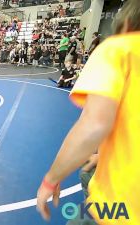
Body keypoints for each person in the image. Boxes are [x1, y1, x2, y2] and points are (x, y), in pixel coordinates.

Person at [36, 0, 140, 224]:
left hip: (121, 208)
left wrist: (51, 180)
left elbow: (94, 125)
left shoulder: (121, 49)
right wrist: (104, 154)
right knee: (86, 175)